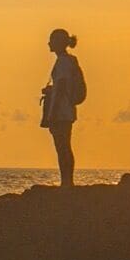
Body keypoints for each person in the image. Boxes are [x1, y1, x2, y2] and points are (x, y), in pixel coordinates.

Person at [39, 26, 85, 188]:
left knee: (62, 146)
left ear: (58, 42)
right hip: (66, 111)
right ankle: (66, 181)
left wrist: (52, 113)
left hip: (61, 112)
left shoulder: (64, 62)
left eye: (51, 40)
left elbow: (62, 85)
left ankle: (67, 182)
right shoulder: (68, 61)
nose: (48, 43)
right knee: (64, 145)